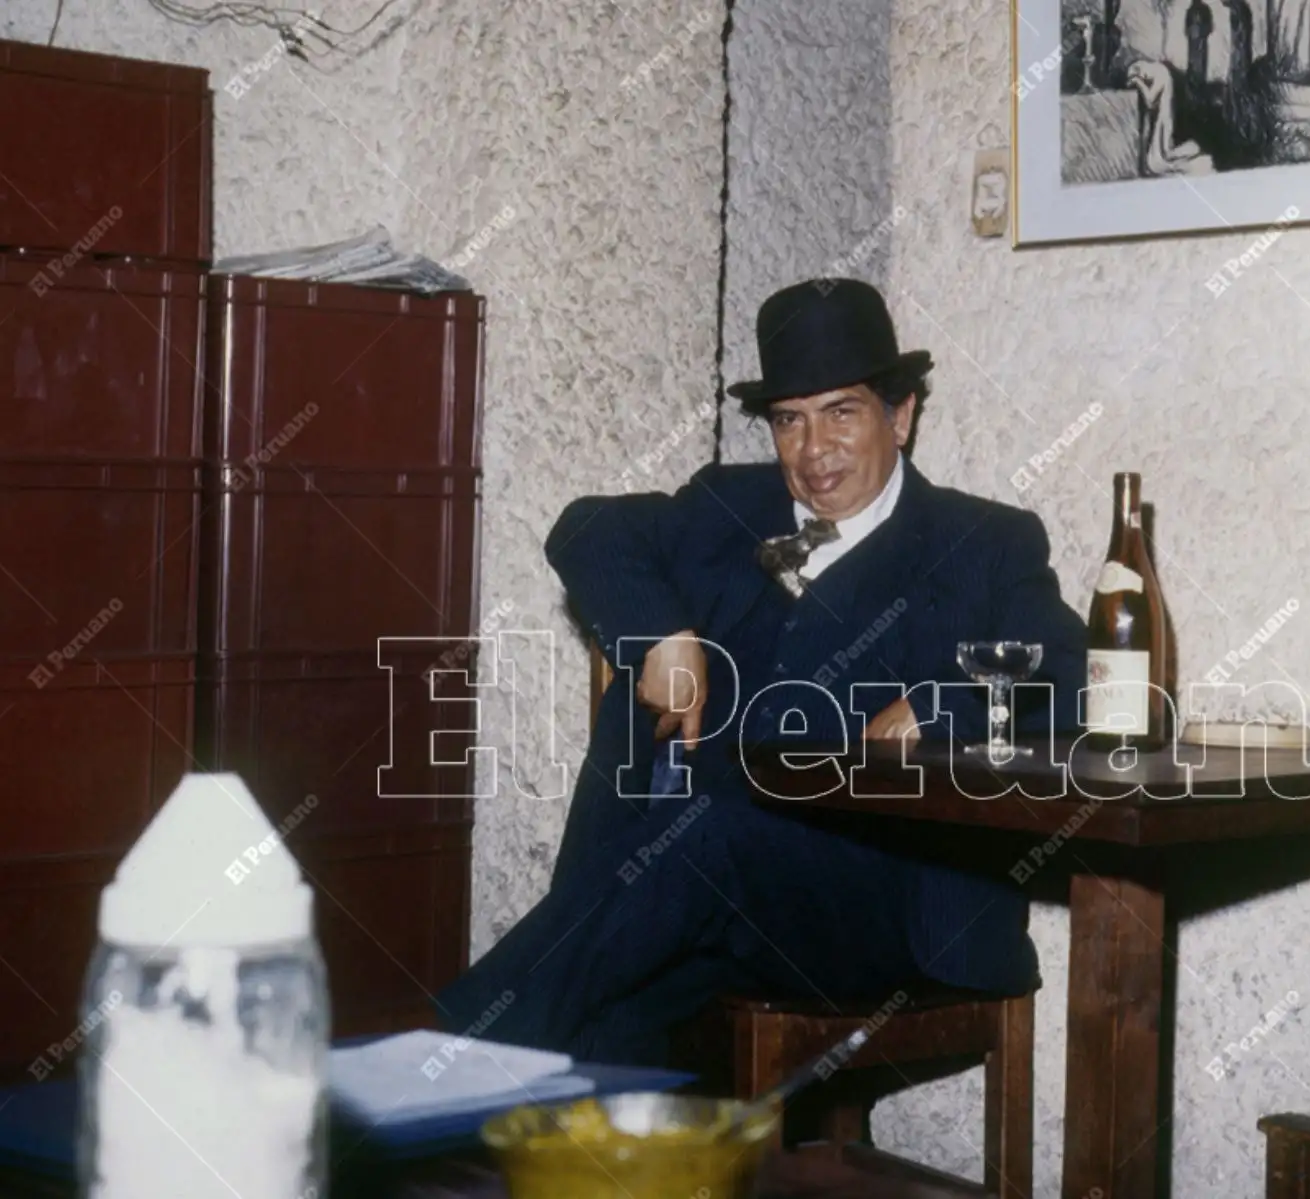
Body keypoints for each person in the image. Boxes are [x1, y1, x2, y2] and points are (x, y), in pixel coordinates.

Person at [435, 278, 1087, 1065]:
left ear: (901, 414)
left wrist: (947, 703)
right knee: (598, 1050)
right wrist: (663, 633)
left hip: (883, 913)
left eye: (842, 412)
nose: (814, 452)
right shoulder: (728, 504)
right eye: (789, 420)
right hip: (707, 907)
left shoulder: (985, 540)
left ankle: (416, 1071)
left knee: (704, 837)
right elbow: (589, 528)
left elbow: (1069, 670)